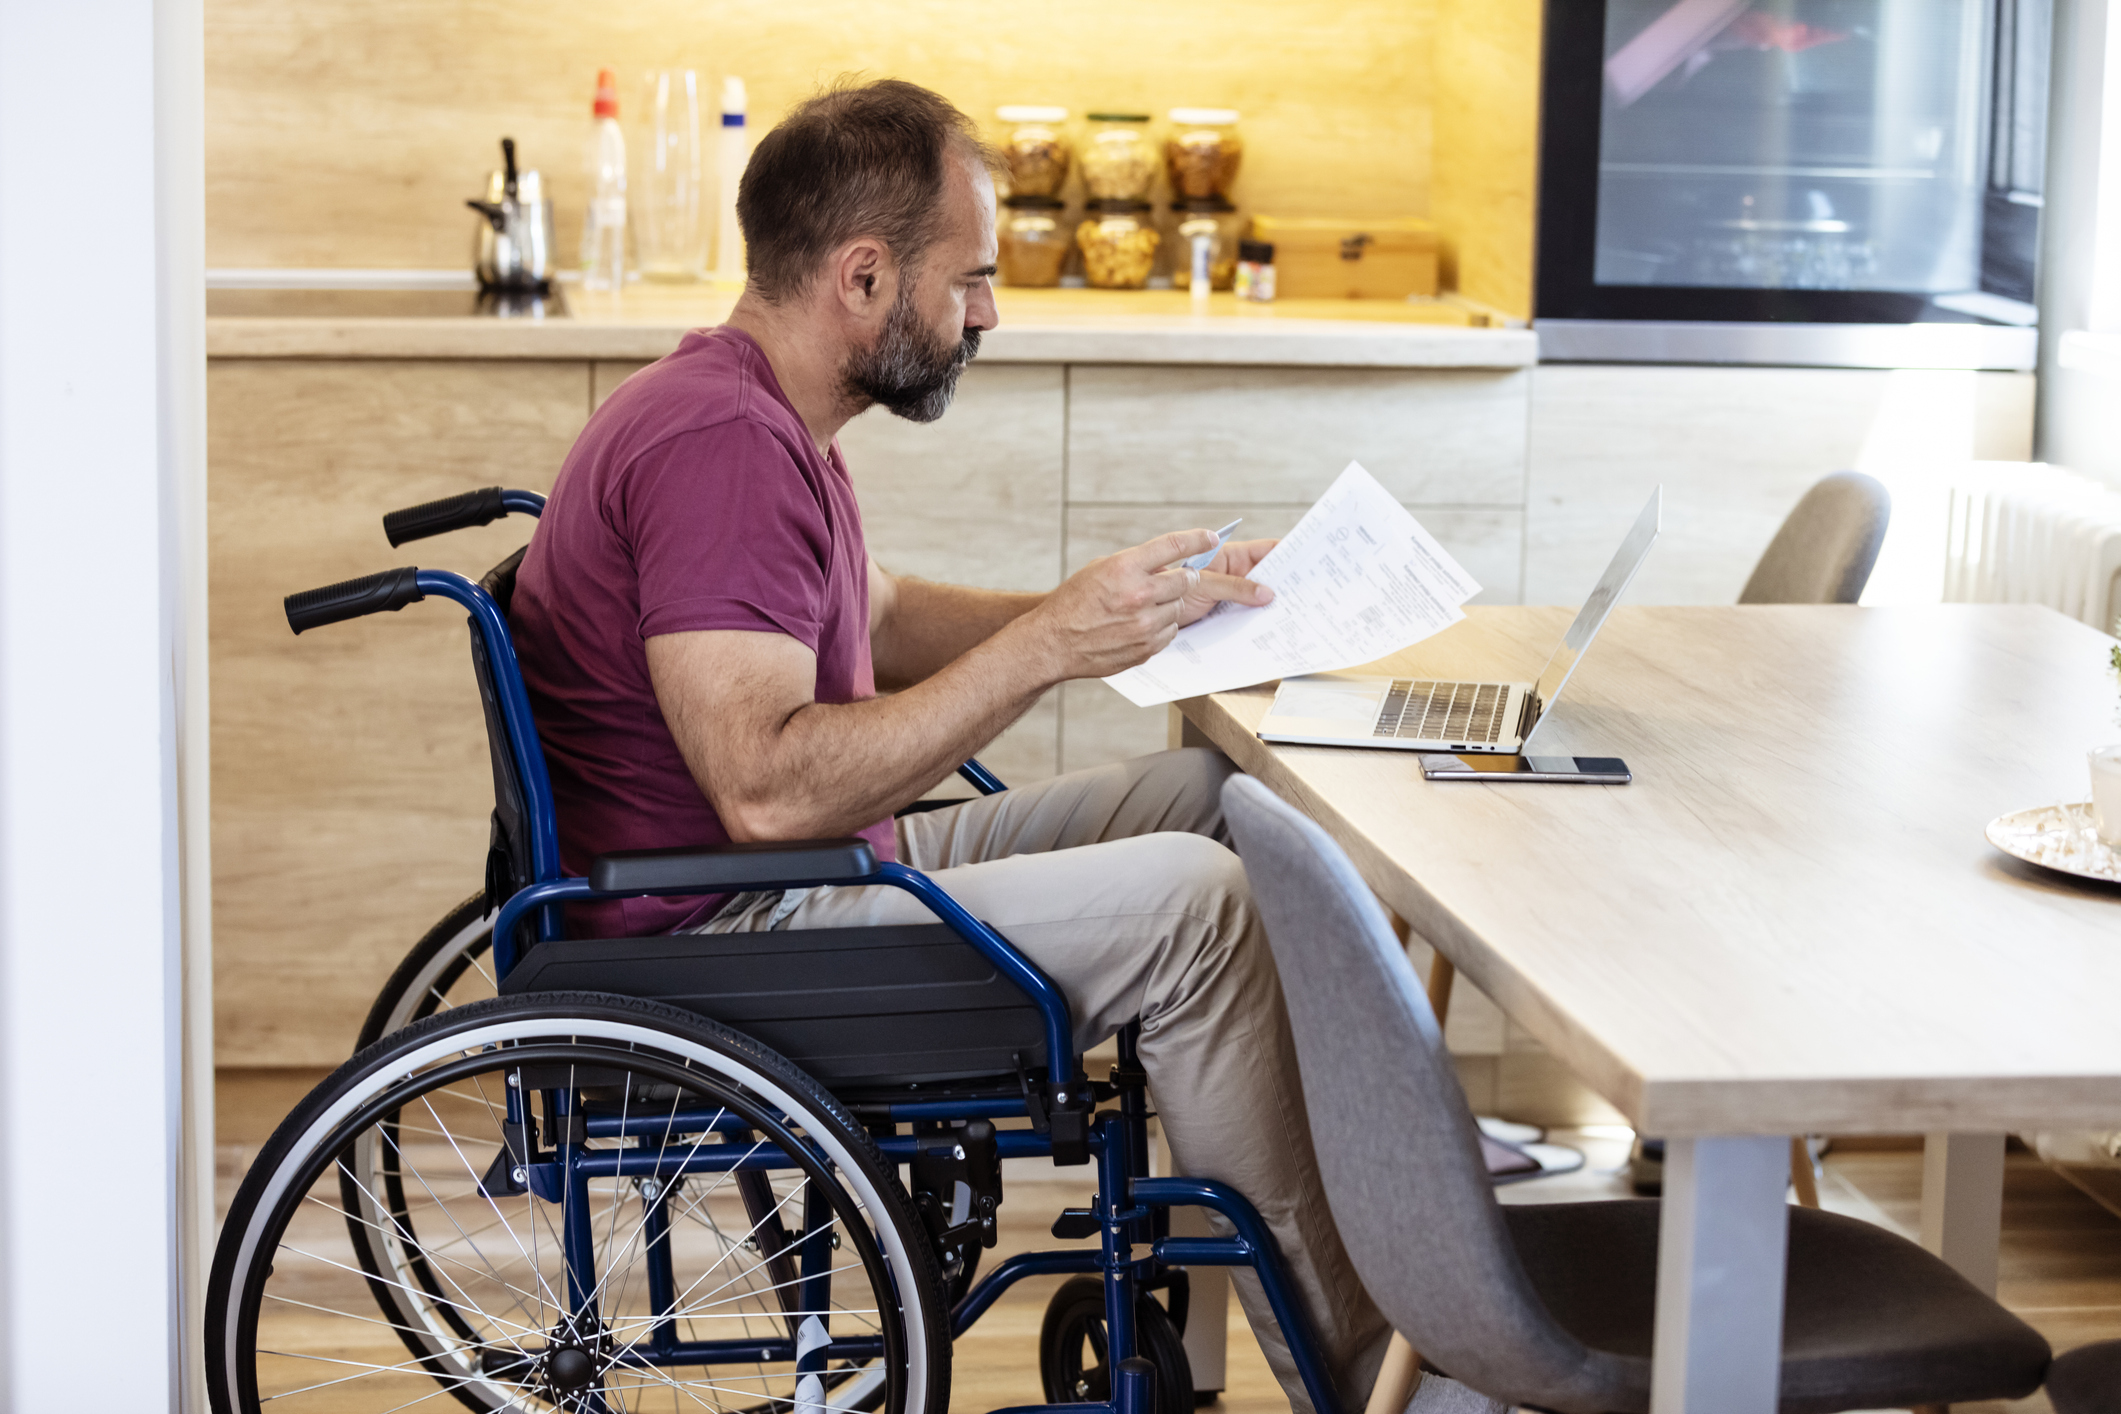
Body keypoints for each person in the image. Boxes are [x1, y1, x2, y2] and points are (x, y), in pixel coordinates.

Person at [510, 77, 1391, 1413]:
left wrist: (1127, 608)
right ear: (864, 276)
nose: (989, 310)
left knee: (1217, 799)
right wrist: (1049, 646)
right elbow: (763, 788)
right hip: (723, 938)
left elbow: (884, 616)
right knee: (1197, 907)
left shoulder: (761, 414)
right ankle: (1374, 1368)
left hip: (791, 878)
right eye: (969, 277)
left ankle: (1379, 1204)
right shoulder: (719, 446)